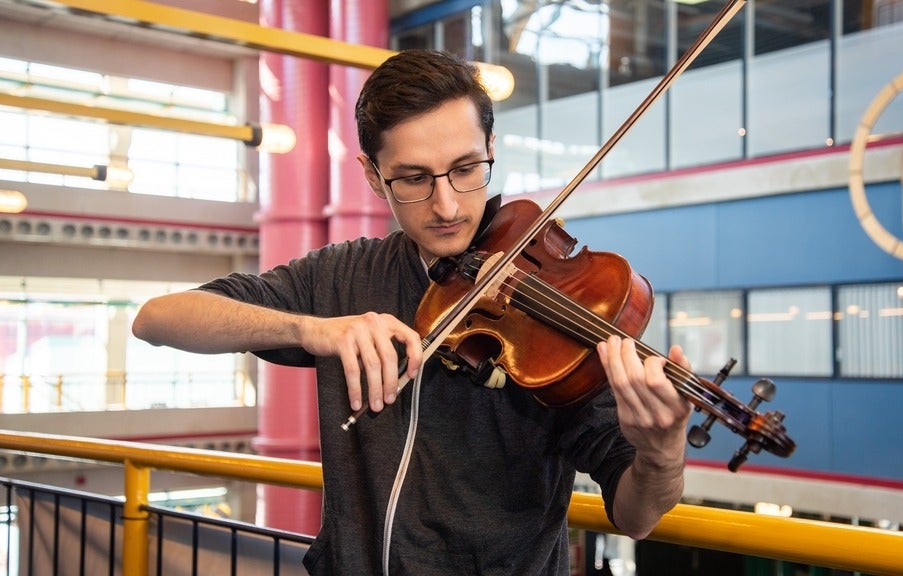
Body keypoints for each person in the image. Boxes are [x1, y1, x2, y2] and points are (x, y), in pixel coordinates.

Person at [132, 49, 693, 576]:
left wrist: (661, 453)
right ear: (374, 176)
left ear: (491, 148)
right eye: (414, 179)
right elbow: (158, 317)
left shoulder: (562, 313)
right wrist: (310, 328)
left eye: (467, 169)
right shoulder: (342, 275)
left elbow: (638, 515)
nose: (447, 205)